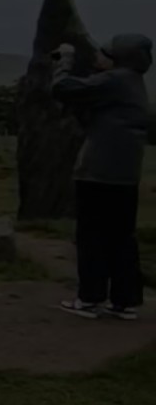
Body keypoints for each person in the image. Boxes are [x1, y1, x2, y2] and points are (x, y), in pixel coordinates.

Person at [51, 33, 153, 320]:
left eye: (104, 53)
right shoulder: (132, 82)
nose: (98, 56)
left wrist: (65, 59)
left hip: (98, 172)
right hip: (125, 173)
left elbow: (63, 88)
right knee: (121, 237)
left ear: (117, 59)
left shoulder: (115, 80)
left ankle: (90, 299)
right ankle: (125, 301)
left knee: (91, 235)